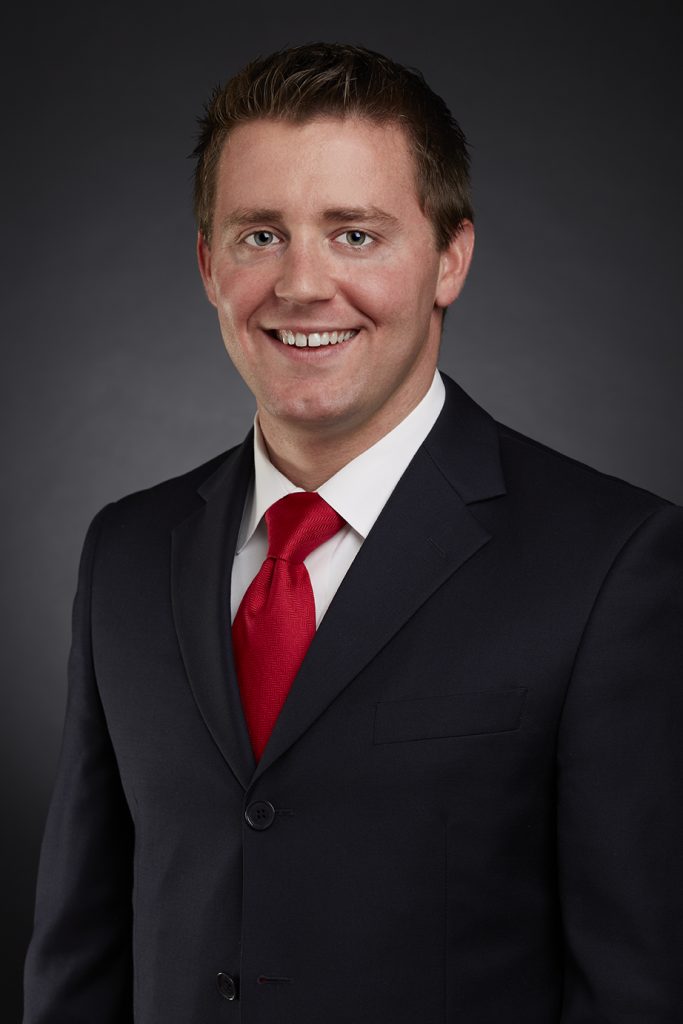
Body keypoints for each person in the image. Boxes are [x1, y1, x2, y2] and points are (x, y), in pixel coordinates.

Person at [23, 42, 683, 1023]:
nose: (301, 284)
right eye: (259, 235)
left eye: (355, 234)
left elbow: (637, 984)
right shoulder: (124, 550)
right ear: (207, 265)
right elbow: (78, 955)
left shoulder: (613, 561)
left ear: (449, 258)